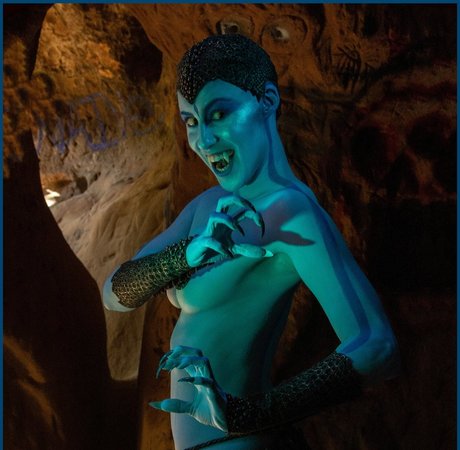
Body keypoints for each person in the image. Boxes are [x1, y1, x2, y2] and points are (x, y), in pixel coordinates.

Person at [103, 34, 400, 450]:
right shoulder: (208, 206)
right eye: (191, 121)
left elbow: (378, 346)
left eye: (219, 113)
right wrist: (183, 255)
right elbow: (114, 295)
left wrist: (250, 414)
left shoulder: (292, 211)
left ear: (267, 100)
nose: (204, 141)